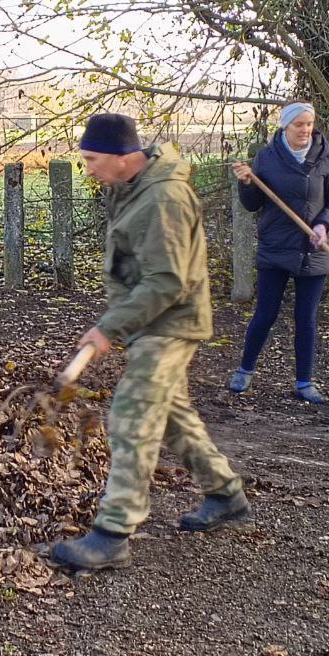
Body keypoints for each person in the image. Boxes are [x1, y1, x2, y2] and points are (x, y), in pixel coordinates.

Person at [51, 113, 250, 572]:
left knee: (131, 417)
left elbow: (168, 281)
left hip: (169, 325)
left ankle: (112, 534)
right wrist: (117, 322)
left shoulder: (162, 197)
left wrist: (109, 327)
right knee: (175, 418)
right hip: (149, 324)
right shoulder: (134, 187)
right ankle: (226, 496)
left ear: (125, 157)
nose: (88, 169)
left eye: (92, 159)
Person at [229, 100, 329, 404]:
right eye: (299, 124)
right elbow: (253, 204)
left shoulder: (324, 156)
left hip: (314, 248)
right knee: (265, 313)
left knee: (305, 317)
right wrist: (246, 184)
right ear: (285, 126)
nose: (305, 130)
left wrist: (322, 226)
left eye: (309, 124)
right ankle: (244, 371)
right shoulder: (267, 158)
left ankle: (304, 383)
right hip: (276, 246)